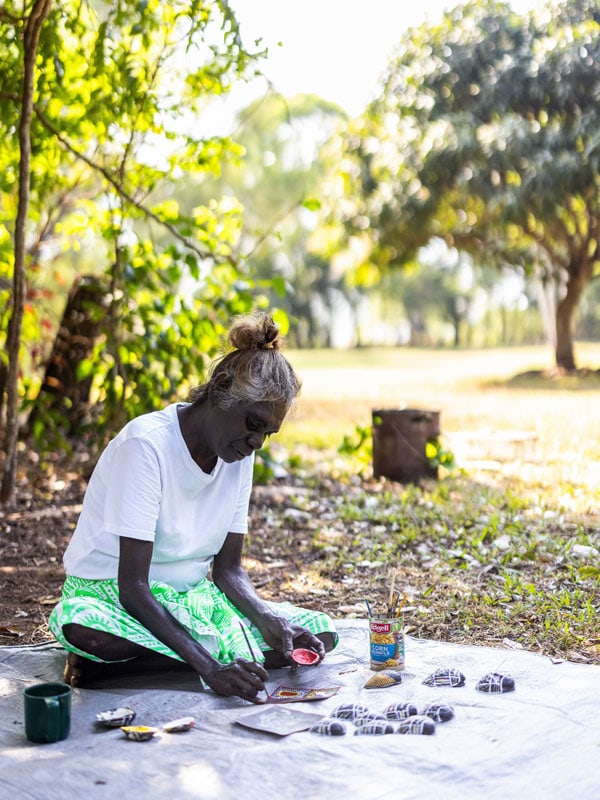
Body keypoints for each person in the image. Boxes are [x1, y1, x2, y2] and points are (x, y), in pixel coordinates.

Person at [48, 311, 337, 702]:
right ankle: (197, 657)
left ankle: (136, 667)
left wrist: (269, 619)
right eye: (253, 424)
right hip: (113, 595)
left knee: (317, 634)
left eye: (266, 434)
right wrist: (210, 668)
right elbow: (132, 588)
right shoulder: (146, 445)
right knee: (86, 630)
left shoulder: (239, 457)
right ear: (220, 389)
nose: (256, 443)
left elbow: (229, 570)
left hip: (191, 599)